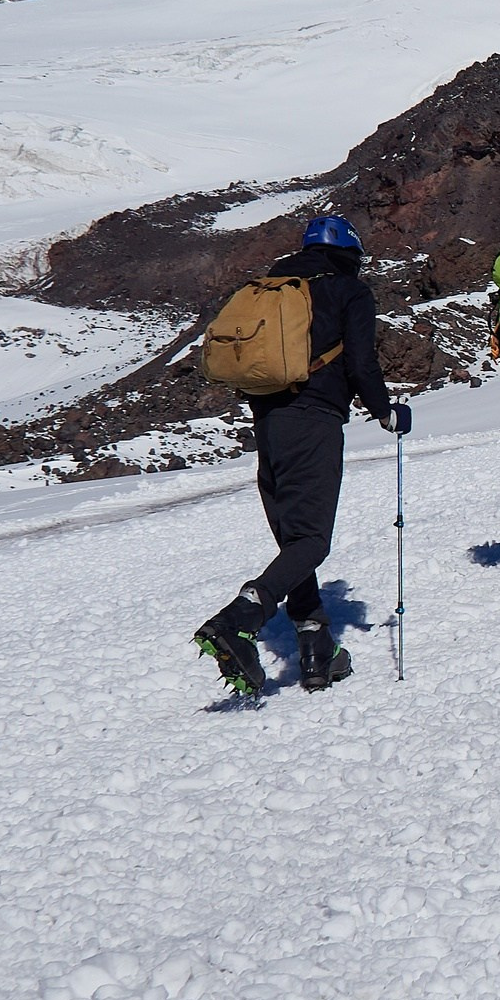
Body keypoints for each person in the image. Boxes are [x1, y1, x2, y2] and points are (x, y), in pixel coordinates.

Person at [194, 214, 400, 697]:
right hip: (315, 418)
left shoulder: (273, 284)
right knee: (311, 538)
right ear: (350, 253)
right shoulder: (349, 291)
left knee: (293, 536)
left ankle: (316, 647)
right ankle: (240, 616)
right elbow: (361, 362)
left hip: (268, 420)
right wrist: (386, 411)